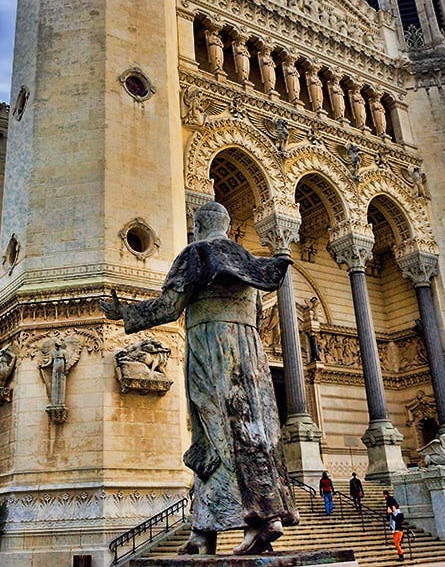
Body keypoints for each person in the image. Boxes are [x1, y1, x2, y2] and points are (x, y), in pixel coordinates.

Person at [100, 202, 298, 555]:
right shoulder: (246, 261)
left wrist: (123, 313)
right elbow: (255, 313)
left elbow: (168, 307)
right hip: (250, 354)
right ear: (227, 223)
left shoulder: (196, 253)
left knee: (217, 433)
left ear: (197, 223)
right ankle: (204, 531)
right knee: (251, 429)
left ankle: (258, 519)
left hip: (211, 348)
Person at [384, 491, 405, 561]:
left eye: (393, 507)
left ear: (395, 507)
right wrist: (388, 513)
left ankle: (401, 555)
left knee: (397, 544)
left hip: (399, 530)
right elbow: (389, 519)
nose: (392, 508)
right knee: (396, 544)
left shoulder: (400, 514)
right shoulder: (393, 513)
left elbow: (396, 520)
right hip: (395, 530)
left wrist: (391, 514)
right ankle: (400, 555)